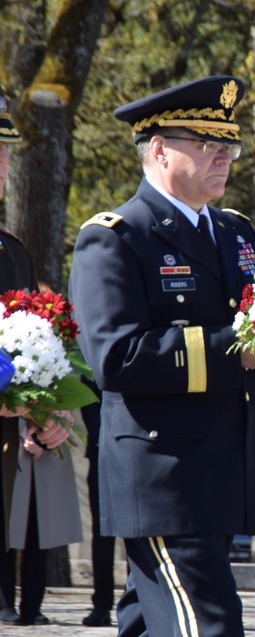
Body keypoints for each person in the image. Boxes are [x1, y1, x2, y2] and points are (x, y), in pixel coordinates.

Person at [68, 75, 255, 637]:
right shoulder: (116, 237)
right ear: (158, 150)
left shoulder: (237, 233)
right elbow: (116, 356)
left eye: (229, 146)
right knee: (208, 625)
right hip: (163, 479)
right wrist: (242, 349)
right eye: (208, 145)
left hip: (222, 473)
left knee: (150, 620)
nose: (225, 158)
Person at [0, 83, 71, 555]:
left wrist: (49, 412)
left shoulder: (12, 254)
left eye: (4, 151)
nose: (2, 164)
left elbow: (29, 353)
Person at [0, 418, 83, 625]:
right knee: (6, 529)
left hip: (47, 447)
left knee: (39, 531)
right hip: (8, 443)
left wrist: (40, 433)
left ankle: (32, 606)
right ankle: (4, 604)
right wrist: (21, 432)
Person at [80, 378, 116, 627]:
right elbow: (88, 402)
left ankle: (143, 601)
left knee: (143, 534)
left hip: (141, 451)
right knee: (103, 533)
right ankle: (102, 603)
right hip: (102, 453)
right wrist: (106, 442)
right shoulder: (98, 351)